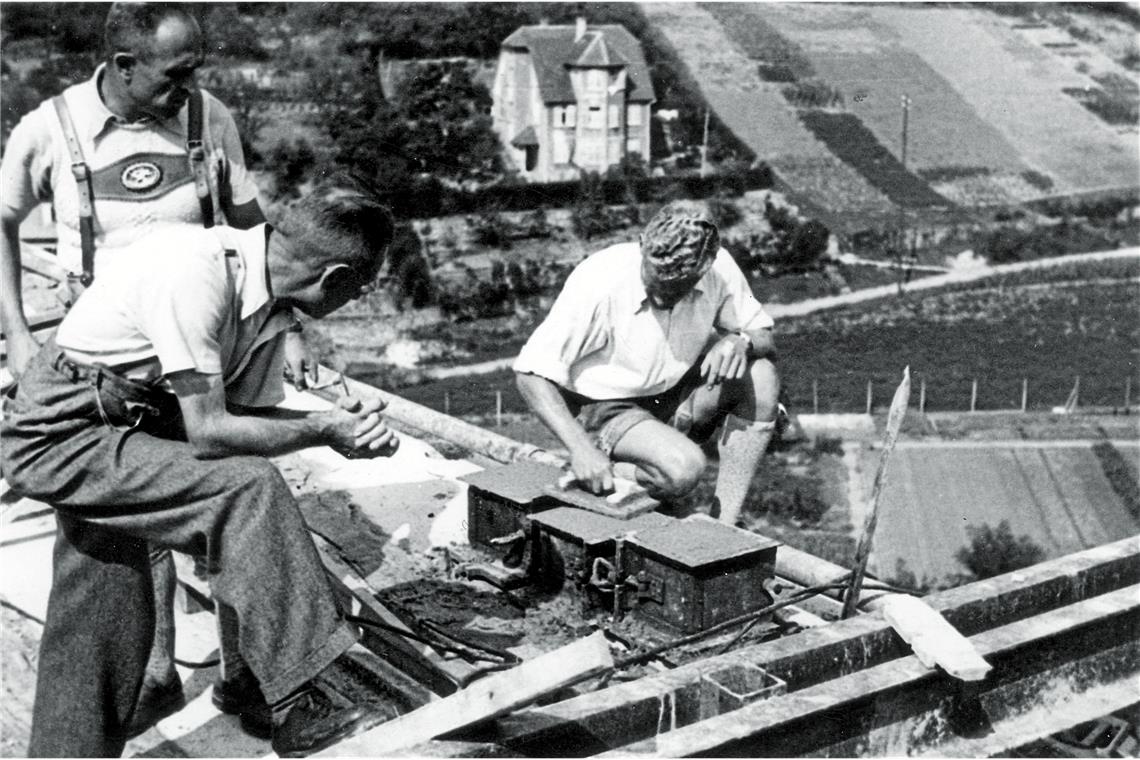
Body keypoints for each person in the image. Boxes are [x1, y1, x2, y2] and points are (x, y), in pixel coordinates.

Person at [0, 3, 318, 736]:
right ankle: (155, 673)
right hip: (109, 363)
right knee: (122, 533)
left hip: (204, 342)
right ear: (122, 67)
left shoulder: (208, 117)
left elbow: (251, 231)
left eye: (195, 72)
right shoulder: (51, 128)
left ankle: (249, 677)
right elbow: (4, 222)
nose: (190, 89)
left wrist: (286, 325)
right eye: (175, 76)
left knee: (224, 508)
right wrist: (17, 331)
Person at [0, 173, 397, 757]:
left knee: (102, 596)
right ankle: (298, 702)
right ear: (334, 278)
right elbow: (211, 434)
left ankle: (73, 750)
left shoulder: (272, 305)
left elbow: (245, 419)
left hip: (130, 422)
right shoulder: (199, 269)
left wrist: (335, 420)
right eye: (361, 288)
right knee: (244, 491)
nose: (358, 300)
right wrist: (322, 430)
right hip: (62, 430)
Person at [514, 201, 781, 526]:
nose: (660, 298)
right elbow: (530, 375)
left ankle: (724, 524)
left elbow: (763, 332)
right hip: (602, 407)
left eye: (675, 289)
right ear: (642, 244)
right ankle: (612, 470)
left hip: (671, 393)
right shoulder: (600, 280)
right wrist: (581, 449)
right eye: (654, 282)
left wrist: (740, 340)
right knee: (684, 470)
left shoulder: (720, 267)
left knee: (761, 376)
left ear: (706, 266)